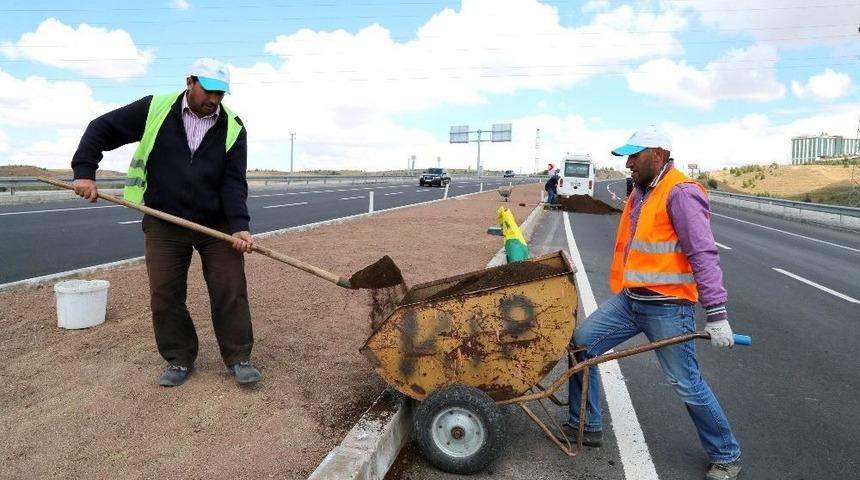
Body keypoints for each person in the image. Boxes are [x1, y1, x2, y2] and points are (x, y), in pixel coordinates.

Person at [71, 58, 262, 388]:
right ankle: (179, 357)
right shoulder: (155, 109)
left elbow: (234, 181)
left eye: (220, 93)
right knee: (165, 293)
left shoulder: (233, 126)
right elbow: (101, 128)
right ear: (190, 81)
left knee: (230, 287)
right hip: (164, 220)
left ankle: (239, 356)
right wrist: (85, 171)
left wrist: (239, 225)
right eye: (209, 90)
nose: (214, 99)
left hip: (215, 224)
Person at [566, 125, 742, 480]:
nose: (628, 163)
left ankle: (726, 454)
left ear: (658, 154)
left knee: (685, 382)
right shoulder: (643, 191)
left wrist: (717, 314)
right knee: (582, 345)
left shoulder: (680, 193)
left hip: (668, 307)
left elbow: (703, 253)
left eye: (634, 155)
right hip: (631, 300)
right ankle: (586, 424)